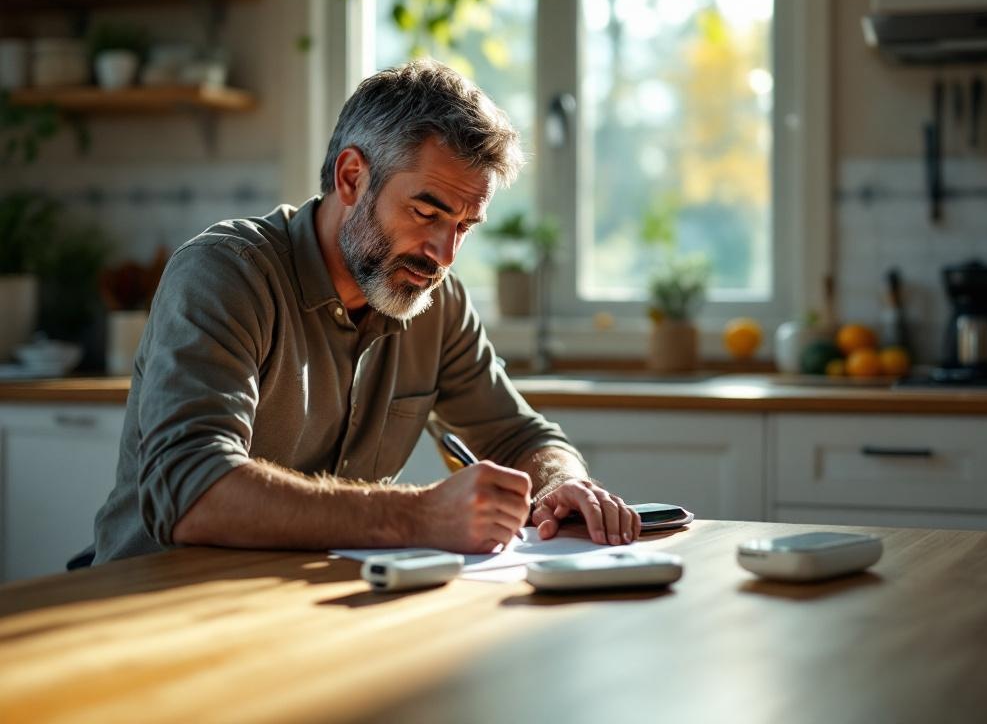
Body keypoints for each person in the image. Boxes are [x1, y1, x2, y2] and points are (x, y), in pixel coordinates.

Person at [89, 60, 640, 566]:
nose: (444, 254)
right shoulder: (224, 274)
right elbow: (191, 490)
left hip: (302, 610)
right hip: (149, 605)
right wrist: (417, 516)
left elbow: (519, 436)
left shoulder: (435, 300)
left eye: (465, 227)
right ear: (352, 177)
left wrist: (560, 485)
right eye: (427, 212)